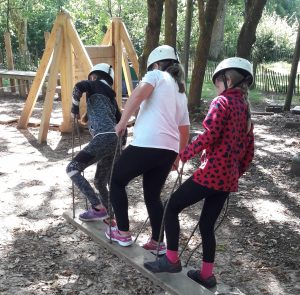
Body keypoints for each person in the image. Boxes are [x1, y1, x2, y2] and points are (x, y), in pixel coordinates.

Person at [144, 57, 255, 289]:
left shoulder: (221, 102)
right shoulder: (246, 111)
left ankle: (172, 259)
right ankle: (206, 275)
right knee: (206, 225)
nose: (217, 88)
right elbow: (248, 153)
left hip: (211, 173)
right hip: (228, 179)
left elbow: (208, 135)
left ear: (226, 80)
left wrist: (184, 154)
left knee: (171, 206)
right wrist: (235, 172)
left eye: (217, 83)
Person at [104, 45, 190, 252]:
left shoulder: (156, 75)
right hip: (168, 150)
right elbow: (185, 129)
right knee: (152, 195)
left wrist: (122, 122)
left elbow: (136, 96)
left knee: (115, 179)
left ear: (157, 64)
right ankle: (158, 242)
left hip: (148, 143)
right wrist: (178, 157)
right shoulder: (180, 91)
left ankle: (122, 233)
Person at [66, 63, 124, 226]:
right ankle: (110, 216)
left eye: (91, 78)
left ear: (94, 76)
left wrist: (74, 109)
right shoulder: (111, 99)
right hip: (116, 142)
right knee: (100, 180)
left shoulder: (93, 84)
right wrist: (121, 148)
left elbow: (78, 87)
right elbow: (120, 122)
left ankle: (98, 208)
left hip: (104, 137)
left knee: (72, 169)